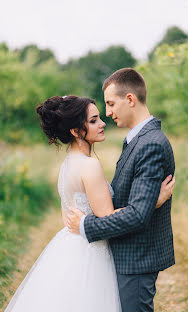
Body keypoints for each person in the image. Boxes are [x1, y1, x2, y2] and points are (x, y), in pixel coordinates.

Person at [4, 94, 174, 312]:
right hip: (91, 252)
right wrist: (153, 202)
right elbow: (108, 218)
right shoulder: (89, 165)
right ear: (76, 131)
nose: (103, 123)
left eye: (100, 117)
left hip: (69, 245)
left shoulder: (69, 163)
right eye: (93, 121)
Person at [67, 68, 176, 312]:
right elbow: (135, 203)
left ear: (130, 99)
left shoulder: (151, 144)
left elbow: (137, 215)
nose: (107, 113)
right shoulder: (137, 140)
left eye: (110, 103)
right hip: (127, 255)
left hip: (137, 258)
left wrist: (86, 225)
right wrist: (151, 202)